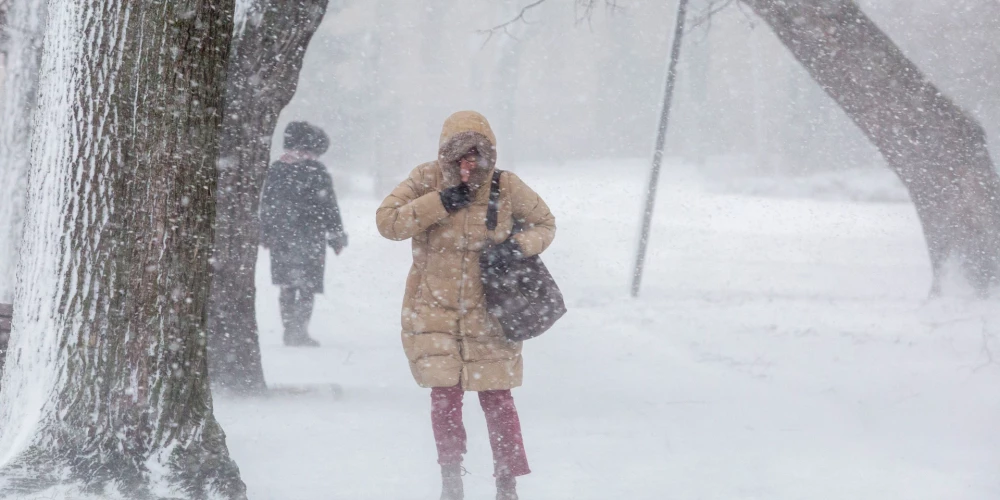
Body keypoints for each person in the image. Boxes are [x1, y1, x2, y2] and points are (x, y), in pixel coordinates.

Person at [376, 111, 556, 500]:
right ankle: (451, 480)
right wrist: (438, 202)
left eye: (477, 154)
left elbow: (545, 224)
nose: (468, 163)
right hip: (432, 312)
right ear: (446, 155)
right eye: (460, 154)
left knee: (498, 399)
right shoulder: (426, 179)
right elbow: (388, 222)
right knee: (444, 397)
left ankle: (507, 485)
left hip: (491, 313)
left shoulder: (505, 186)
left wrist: (517, 246)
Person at [260, 121, 347, 347]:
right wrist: (336, 234)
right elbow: (329, 205)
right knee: (307, 286)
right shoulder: (317, 171)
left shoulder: (276, 170)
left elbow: (267, 203)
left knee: (287, 285)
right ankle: (300, 330)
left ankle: (290, 330)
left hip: (282, 235)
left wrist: (267, 231)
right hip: (311, 235)